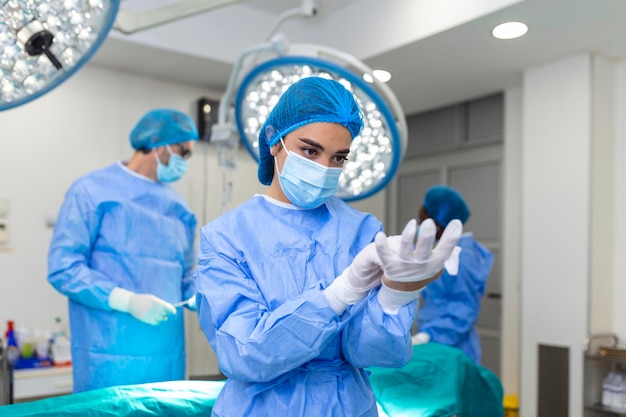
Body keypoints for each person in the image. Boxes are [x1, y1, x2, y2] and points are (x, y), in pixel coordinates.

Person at [194, 77, 463, 417]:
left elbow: (369, 352)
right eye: (310, 151)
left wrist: (396, 295)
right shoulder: (227, 237)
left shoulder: (362, 230)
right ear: (274, 140)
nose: (323, 169)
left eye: (338, 158)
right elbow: (244, 355)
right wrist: (339, 294)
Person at [47, 108, 199, 393]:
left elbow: (185, 278)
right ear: (157, 144)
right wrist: (125, 300)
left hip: (165, 358)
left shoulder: (181, 211)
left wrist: (202, 294)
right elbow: (63, 267)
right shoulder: (92, 192)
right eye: (183, 152)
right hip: (107, 360)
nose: (185, 161)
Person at [411, 185, 494, 365]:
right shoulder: (445, 251)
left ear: (439, 222)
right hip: (439, 341)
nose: (420, 227)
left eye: (423, 220)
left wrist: (429, 335)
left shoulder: (461, 257)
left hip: (453, 344)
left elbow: (464, 307)